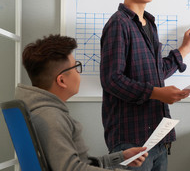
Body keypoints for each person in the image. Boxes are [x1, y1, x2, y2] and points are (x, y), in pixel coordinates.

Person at [100, 0, 190, 171]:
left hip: (157, 136)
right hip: (131, 139)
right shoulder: (119, 24)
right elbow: (112, 80)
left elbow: (156, 71)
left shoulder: (149, 23)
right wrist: (157, 93)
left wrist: (184, 50)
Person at [15, 34, 148, 171]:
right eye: (75, 67)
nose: (79, 73)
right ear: (62, 81)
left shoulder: (41, 111)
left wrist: (120, 157)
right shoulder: (52, 118)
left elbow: (79, 163)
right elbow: (71, 168)